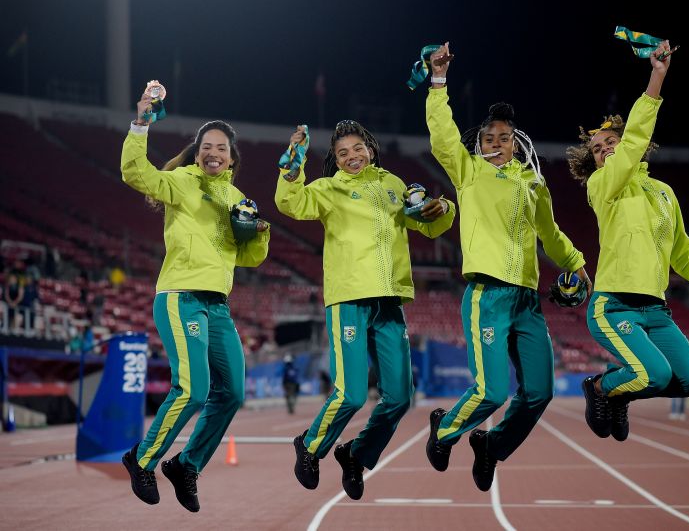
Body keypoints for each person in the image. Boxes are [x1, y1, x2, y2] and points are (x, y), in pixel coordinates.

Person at [565, 39, 689, 442]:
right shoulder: (603, 185)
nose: (604, 151)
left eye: (610, 143)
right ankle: (600, 388)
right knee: (653, 373)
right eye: (597, 150)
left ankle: (617, 394)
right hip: (614, 306)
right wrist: (656, 77)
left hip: (656, 309)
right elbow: (632, 143)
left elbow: (684, 252)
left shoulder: (664, 192)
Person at [423, 43, 591, 492]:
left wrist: (577, 265)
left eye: (505, 138)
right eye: (489, 138)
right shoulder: (469, 172)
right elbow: (442, 135)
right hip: (488, 296)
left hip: (527, 303)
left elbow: (551, 235)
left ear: (517, 144)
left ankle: (492, 447)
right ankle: (443, 430)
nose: (497, 144)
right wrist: (438, 80)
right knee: (493, 391)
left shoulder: (534, 184)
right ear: (477, 145)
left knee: (540, 391)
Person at [276, 120, 456, 500]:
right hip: (350, 299)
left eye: (357, 149)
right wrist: (294, 162)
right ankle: (310, 446)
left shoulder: (393, 185)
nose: (351, 156)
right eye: (342, 153)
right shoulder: (328, 189)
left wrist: (442, 208)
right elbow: (290, 203)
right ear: (336, 161)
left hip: (389, 301)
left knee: (400, 396)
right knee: (352, 394)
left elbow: (427, 225)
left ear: (370, 150)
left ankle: (357, 454)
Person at [119, 85, 270, 512]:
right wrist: (141, 123)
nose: (214, 152)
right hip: (181, 295)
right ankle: (142, 457)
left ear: (232, 157)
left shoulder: (239, 199)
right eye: (207, 146)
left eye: (222, 147)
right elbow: (136, 174)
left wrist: (260, 233)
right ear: (198, 151)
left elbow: (250, 258)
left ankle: (187, 465)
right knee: (193, 389)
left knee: (233, 393)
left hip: (217, 305)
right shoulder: (183, 182)